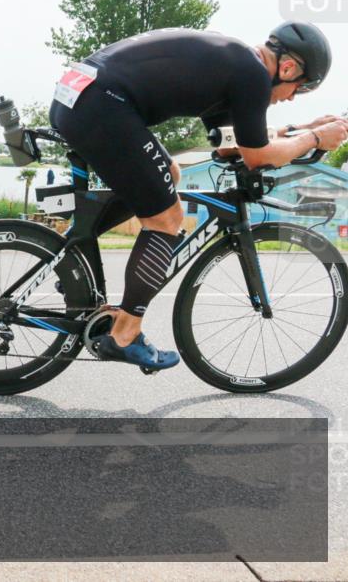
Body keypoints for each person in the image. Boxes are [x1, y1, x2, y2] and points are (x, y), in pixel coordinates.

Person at [48, 22, 347, 370]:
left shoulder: (236, 63)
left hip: (81, 95)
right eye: (299, 89)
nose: (292, 97)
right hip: (100, 104)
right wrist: (314, 139)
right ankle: (124, 335)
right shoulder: (251, 74)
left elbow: (227, 144)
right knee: (167, 219)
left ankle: (67, 256)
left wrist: (305, 129)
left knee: (168, 173)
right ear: (288, 67)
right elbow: (258, 155)